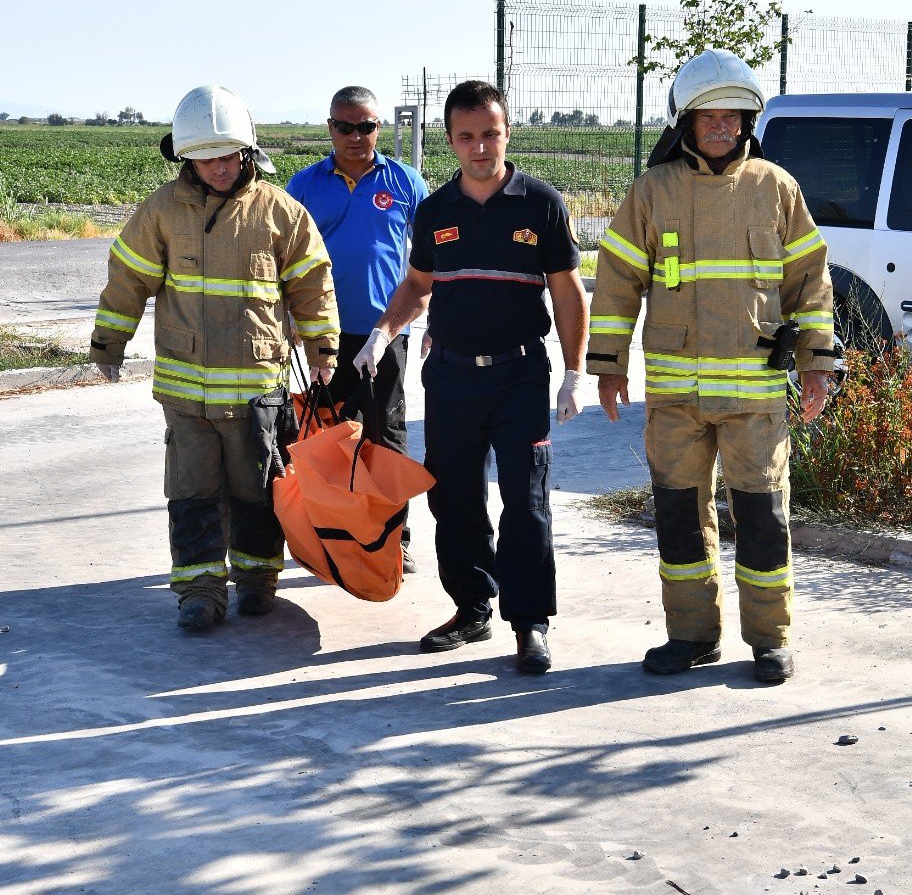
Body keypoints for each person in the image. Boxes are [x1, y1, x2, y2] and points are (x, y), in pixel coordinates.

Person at [587, 49, 836, 683]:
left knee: (760, 517)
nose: (722, 127)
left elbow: (810, 282)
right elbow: (617, 280)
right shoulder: (652, 191)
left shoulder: (777, 188)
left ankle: (769, 639)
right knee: (677, 517)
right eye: (709, 117)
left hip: (753, 397)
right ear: (686, 123)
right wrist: (608, 364)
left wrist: (817, 364)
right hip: (674, 398)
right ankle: (692, 635)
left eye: (733, 116)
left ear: (747, 121)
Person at [354, 80, 588, 674]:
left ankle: (530, 622)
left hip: (520, 377)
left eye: (490, 133)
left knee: (525, 501)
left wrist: (575, 372)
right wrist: (383, 334)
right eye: (467, 137)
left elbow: (567, 293)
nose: (480, 147)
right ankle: (471, 608)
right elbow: (416, 284)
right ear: (452, 141)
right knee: (453, 499)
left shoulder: (541, 204)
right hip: (451, 379)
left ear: (506, 133)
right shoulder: (435, 211)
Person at [90, 85, 339, 632]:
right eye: (205, 158)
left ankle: (256, 581)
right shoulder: (162, 211)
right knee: (192, 492)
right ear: (186, 157)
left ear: (245, 152)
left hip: (257, 394)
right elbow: (127, 278)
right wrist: (108, 344)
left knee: (257, 489)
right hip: (186, 396)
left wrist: (323, 351)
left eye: (227, 156)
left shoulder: (279, 213)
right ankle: (200, 591)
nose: (218, 168)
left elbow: (313, 285)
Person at [285, 87, 428, 573]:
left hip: (384, 335)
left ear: (378, 128)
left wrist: (438, 321)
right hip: (322, 335)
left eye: (365, 126)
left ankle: (395, 539)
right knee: (324, 437)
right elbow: (281, 261)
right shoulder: (303, 186)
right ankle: (331, 533)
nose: (355, 136)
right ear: (330, 128)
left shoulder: (406, 183)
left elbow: (434, 261)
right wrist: (290, 325)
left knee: (386, 436)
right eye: (344, 127)